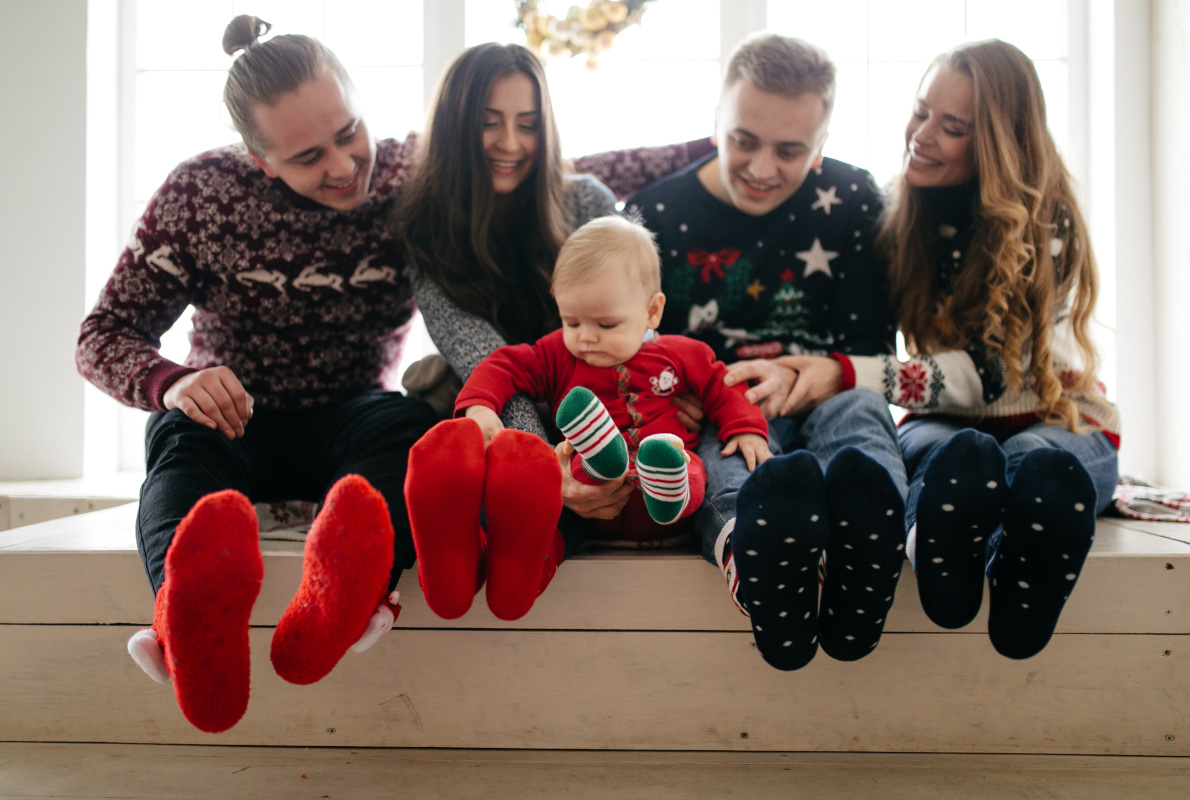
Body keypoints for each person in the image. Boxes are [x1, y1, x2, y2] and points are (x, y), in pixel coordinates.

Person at [75, 16, 438, 733]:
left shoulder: (411, 174)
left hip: (352, 415)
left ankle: (357, 596)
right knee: (180, 438)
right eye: (308, 156)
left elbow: (558, 166)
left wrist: (718, 146)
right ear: (260, 160)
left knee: (410, 426)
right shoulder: (201, 194)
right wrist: (173, 381)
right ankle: (181, 622)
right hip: (232, 422)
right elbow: (102, 335)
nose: (342, 165)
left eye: (350, 132)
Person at [789, 39, 1119, 659]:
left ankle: (1017, 578)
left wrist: (843, 374)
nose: (922, 134)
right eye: (921, 111)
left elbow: (989, 377)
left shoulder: (1044, 225)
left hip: (1054, 415)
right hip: (945, 426)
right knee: (949, 455)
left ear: (996, 143)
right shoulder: (899, 214)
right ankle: (935, 542)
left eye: (953, 127)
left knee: (1038, 461)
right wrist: (722, 142)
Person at [394, 43, 721, 619]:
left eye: (528, 124)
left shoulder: (585, 201)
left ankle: (490, 552)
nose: (511, 143)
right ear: (454, 129)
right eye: (489, 124)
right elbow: (484, 359)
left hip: (592, 408)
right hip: (497, 404)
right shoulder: (425, 229)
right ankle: (457, 551)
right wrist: (548, 464)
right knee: (459, 432)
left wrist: (669, 388)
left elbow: (633, 315)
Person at [627, 33, 908, 672]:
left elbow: (868, 347)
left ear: (821, 148)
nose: (760, 167)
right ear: (715, 123)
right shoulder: (655, 217)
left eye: (790, 150)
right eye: (743, 140)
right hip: (716, 412)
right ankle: (748, 548)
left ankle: (872, 537)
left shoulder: (855, 200)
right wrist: (685, 392)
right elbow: (629, 352)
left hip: (823, 392)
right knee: (720, 467)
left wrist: (797, 377)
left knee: (861, 418)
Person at [408, 216, 771, 620]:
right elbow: (504, 364)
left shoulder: (681, 353)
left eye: (606, 324)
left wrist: (748, 429)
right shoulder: (559, 355)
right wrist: (480, 407)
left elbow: (725, 386)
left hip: (670, 503)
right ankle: (517, 573)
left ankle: (665, 483)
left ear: (652, 311)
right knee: (553, 512)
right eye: (571, 321)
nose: (584, 337)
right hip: (587, 503)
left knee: (689, 466)